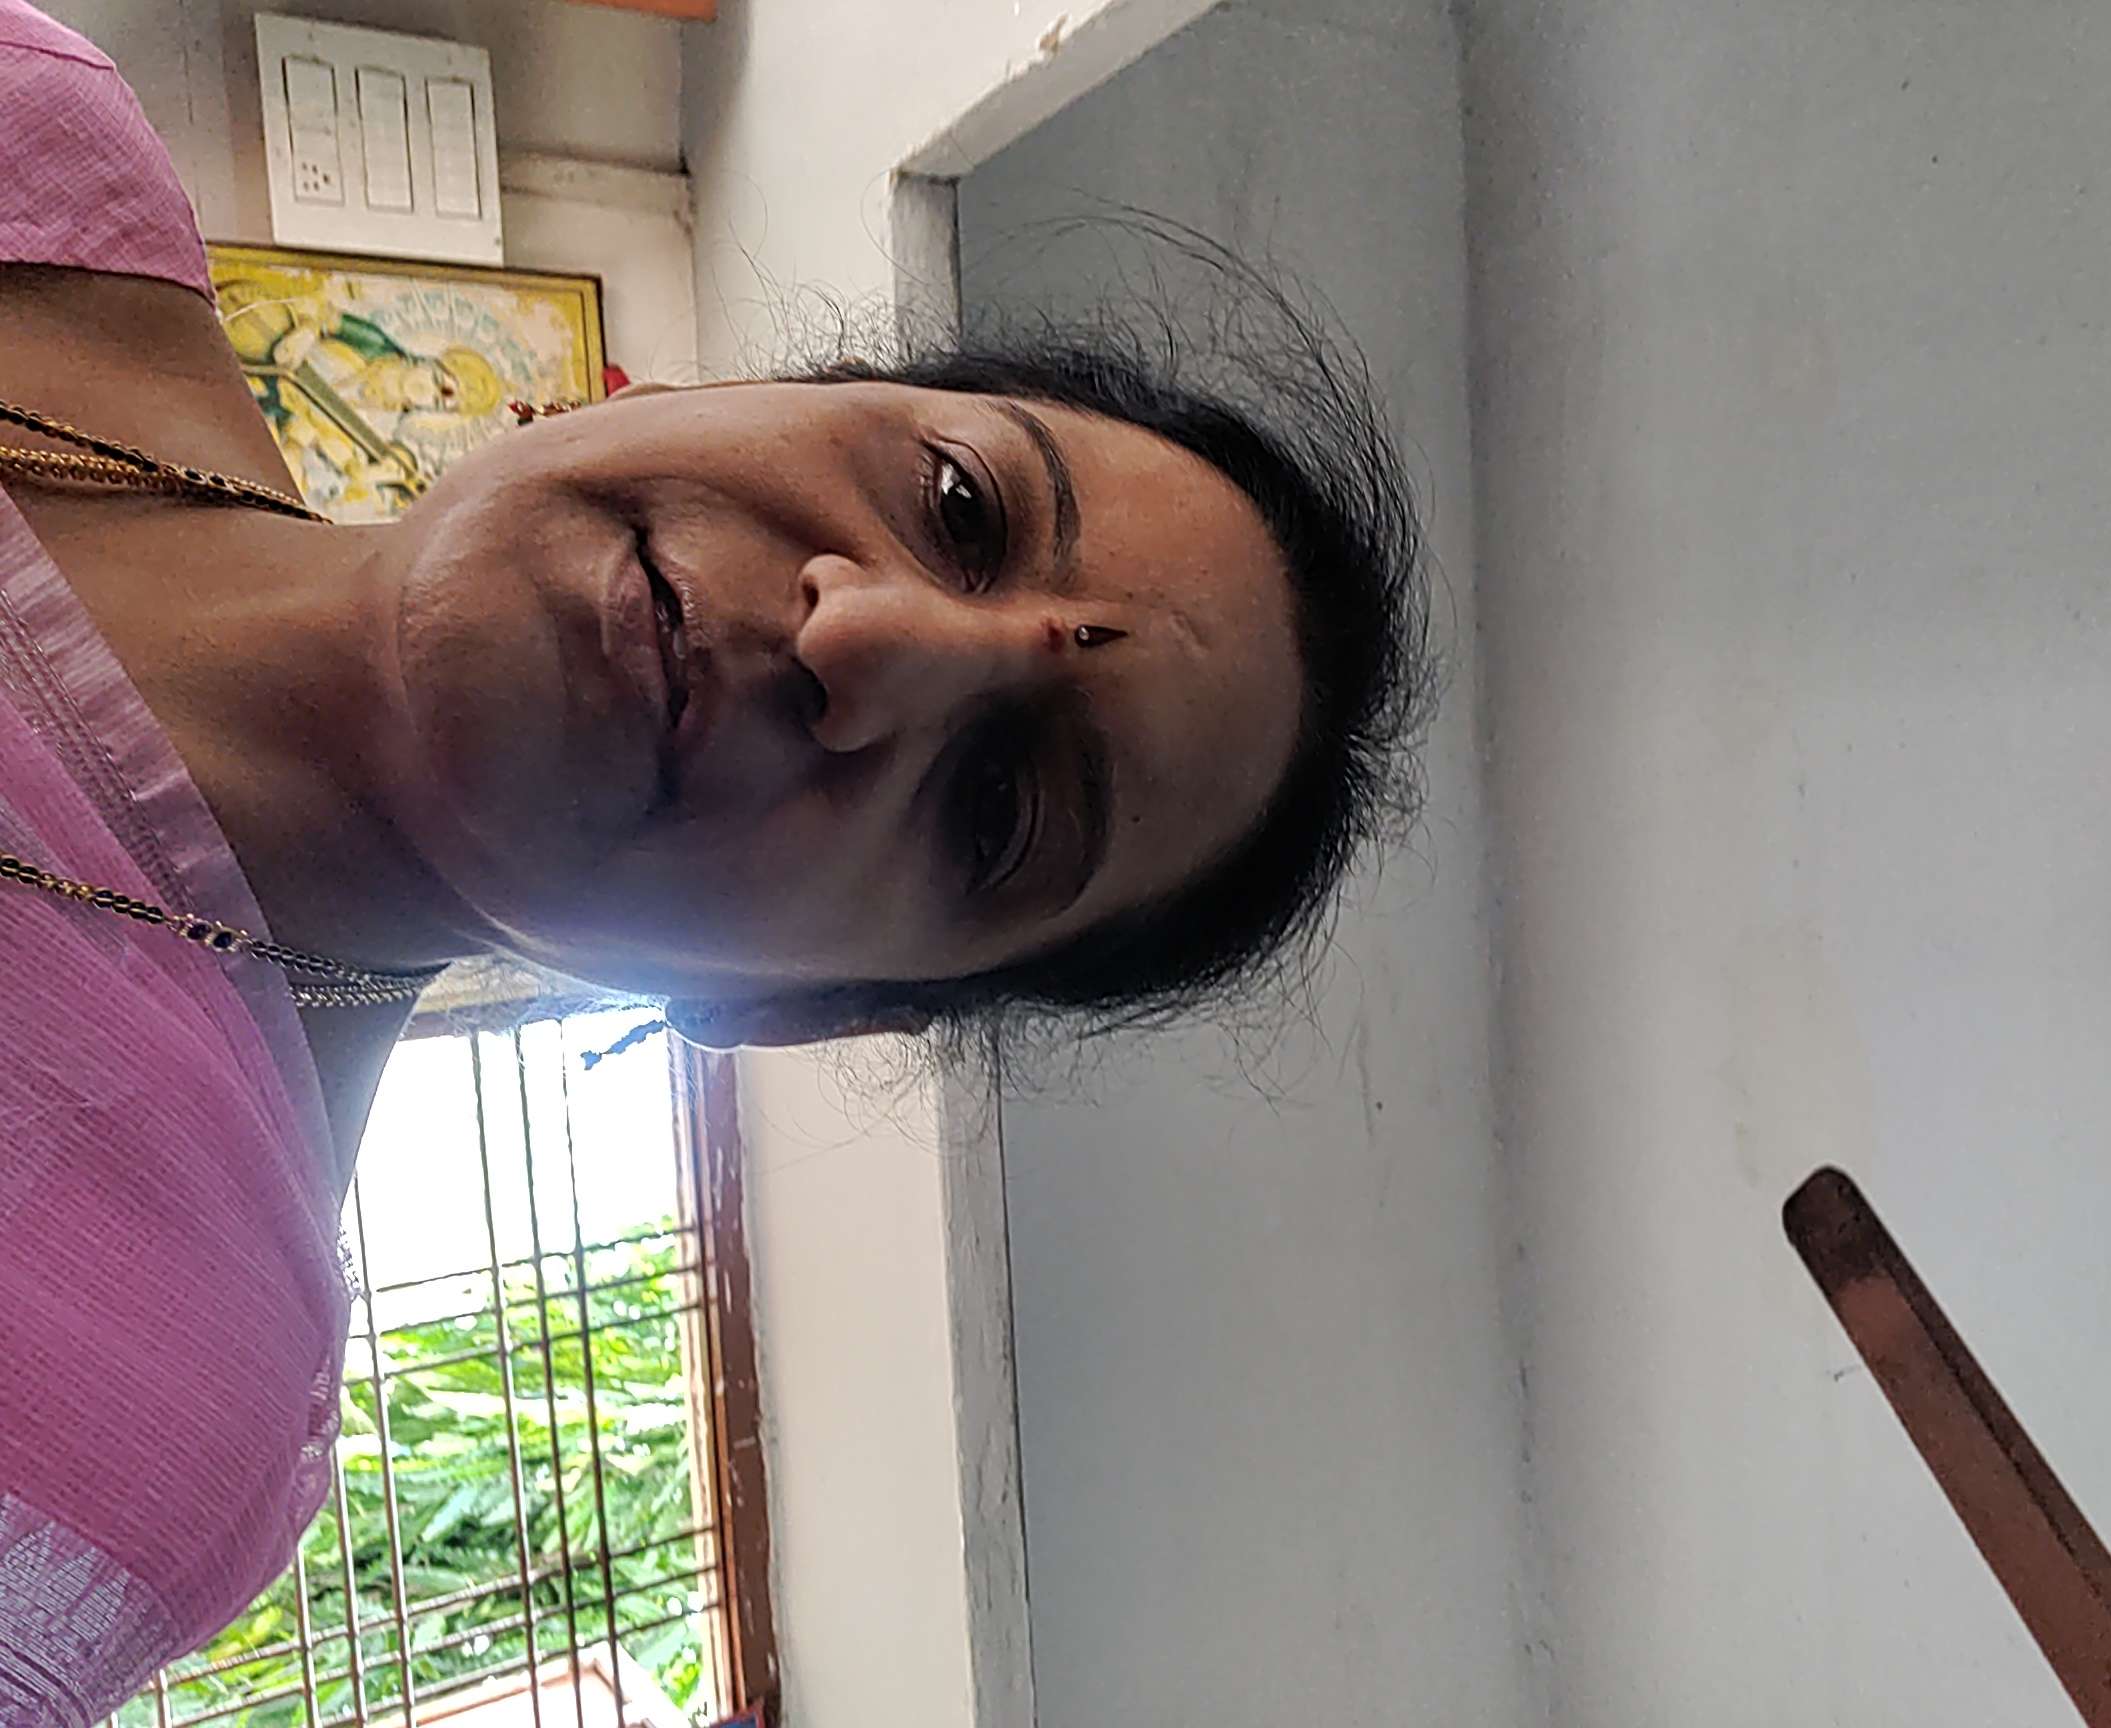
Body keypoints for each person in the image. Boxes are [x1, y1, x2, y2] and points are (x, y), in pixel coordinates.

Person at [0, 1, 1427, 1719]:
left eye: (995, 811)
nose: (864, 641)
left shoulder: (151, 1404)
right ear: (720, 390)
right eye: (961, 507)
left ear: (805, 1008)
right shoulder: (33, 148)